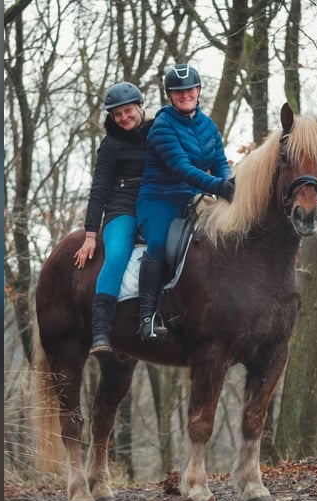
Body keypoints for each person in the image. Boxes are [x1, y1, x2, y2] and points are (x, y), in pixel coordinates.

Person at [136, 63, 235, 340]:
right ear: (170, 94)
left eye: (189, 89)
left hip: (192, 197)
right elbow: (182, 168)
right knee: (158, 241)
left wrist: (227, 183)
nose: (185, 95)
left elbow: (219, 162)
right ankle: (147, 315)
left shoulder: (208, 125)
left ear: (199, 90)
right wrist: (219, 186)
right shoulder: (162, 127)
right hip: (158, 198)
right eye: (178, 92)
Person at [74, 81, 153, 354]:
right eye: (117, 114)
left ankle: (152, 316)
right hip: (122, 207)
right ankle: (101, 330)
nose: (123, 118)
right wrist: (90, 234)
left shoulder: (158, 132)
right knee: (118, 253)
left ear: (139, 106)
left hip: (154, 203)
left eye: (128, 111)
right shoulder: (111, 145)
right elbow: (99, 189)